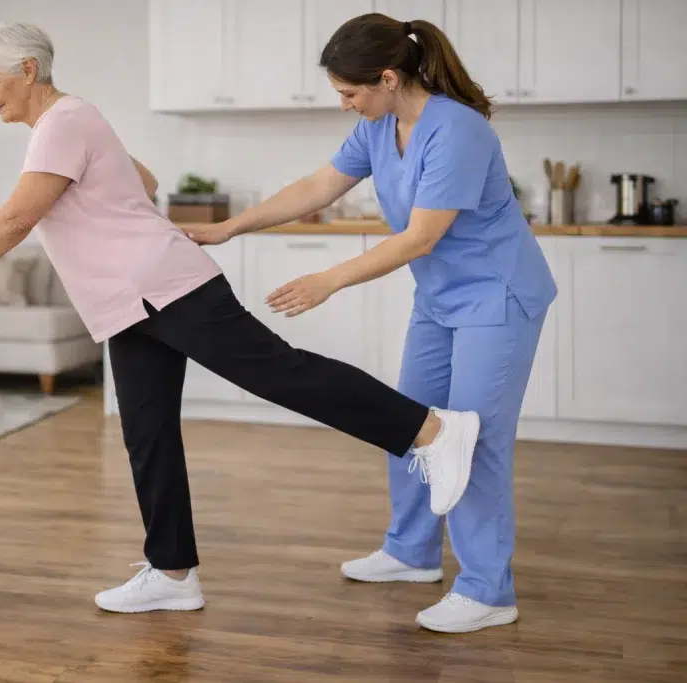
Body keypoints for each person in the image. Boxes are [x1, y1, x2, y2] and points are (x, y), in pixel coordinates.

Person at [0, 20, 482, 618]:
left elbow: (17, 218)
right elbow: (142, 180)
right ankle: (172, 572)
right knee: (146, 433)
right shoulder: (68, 122)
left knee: (282, 374)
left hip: (160, 286)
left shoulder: (64, 121)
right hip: (126, 303)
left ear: (28, 70)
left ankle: (431, 430)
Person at [185, 13, 558, 633]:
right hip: (440, 299)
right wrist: (231, 227)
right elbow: (319, 185)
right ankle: (412, 551)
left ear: (388, 78)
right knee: (411, 420)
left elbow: (420, 236)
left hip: (497, 297)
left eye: (350, 92)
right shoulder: (380, 125)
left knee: (472, 436)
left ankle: (488, 589)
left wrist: (329, 280)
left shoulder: (457, 130)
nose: (345, 104)